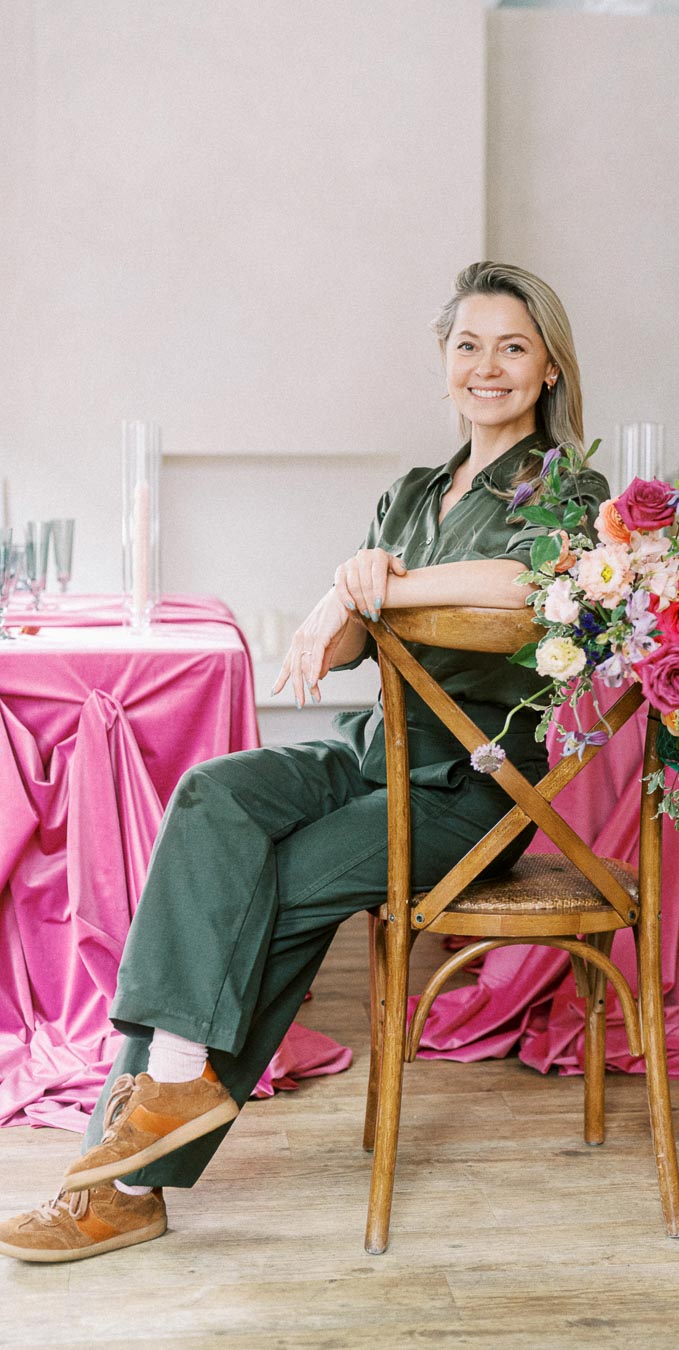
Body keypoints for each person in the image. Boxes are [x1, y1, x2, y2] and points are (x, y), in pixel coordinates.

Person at [0, 261, 609, 1263]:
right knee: (214, 794)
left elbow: (529, 583)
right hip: (376, 755)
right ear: (444, 363)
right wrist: (338, 609)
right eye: (468, 345)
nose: (487, 366)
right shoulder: (413, 492)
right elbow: (351, 643)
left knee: (271, 889)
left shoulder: (566, 490)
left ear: (547, 369)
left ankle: (124, 1184)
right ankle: (178, 1077)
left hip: (472, 788)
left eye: (513, 347)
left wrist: (378, 583)